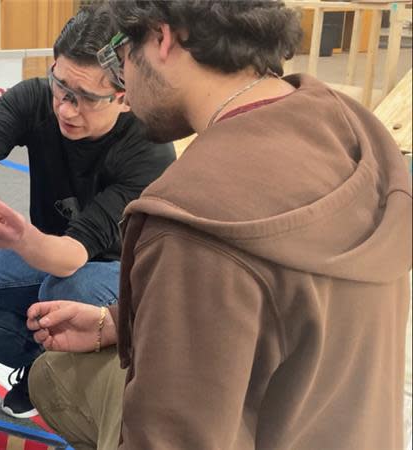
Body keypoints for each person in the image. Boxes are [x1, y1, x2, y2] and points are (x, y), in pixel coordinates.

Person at [27, 1, 412, 449]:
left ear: (161, 38)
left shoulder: (191, 220)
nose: (123, 87)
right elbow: (289, 305)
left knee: (51, 378)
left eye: (120, 57)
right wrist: (120, 321)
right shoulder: (356, 128)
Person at [0, 6, 175, 418]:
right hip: (48, 258)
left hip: (120, 273)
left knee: (64, 293)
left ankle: (85, 384)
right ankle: (42, 368)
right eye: (60, 87)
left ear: (125, 98)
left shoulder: (148, 149)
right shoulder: (37, 97)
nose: (65, 109)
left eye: (85, 99)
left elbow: (73, 255)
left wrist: (21, 238)